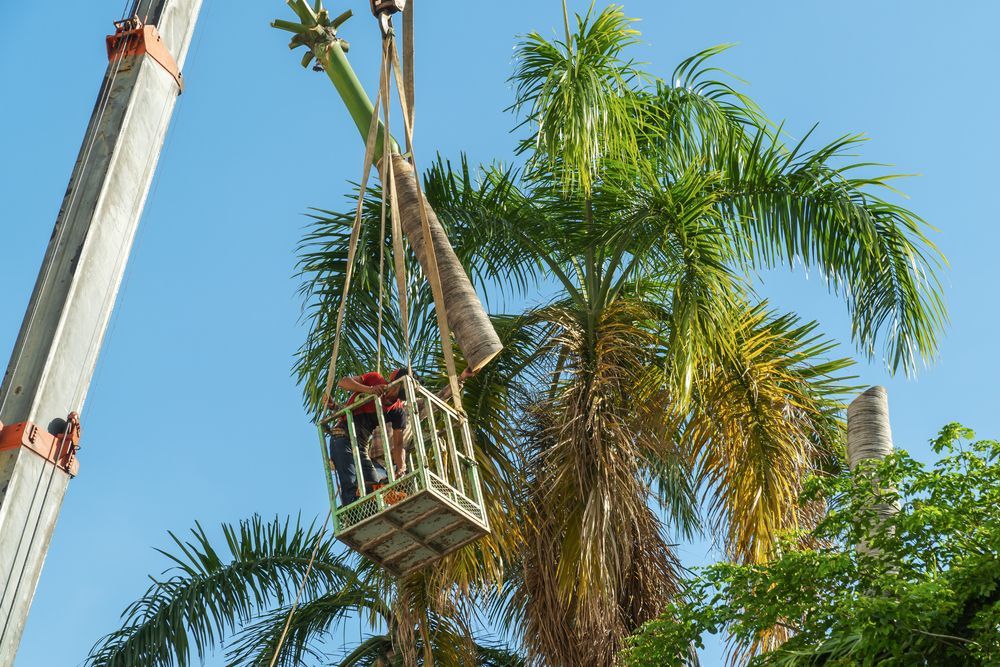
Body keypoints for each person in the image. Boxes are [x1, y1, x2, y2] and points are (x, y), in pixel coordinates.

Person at [326, 367, 411, 506]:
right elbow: (343, 382)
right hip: (342, 437)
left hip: (361, 445)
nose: (390, 393)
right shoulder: (375, 380)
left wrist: (401, 468)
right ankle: (354, 511)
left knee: (374, 487)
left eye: (395, 392)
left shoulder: (397, 411)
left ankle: (372, 498)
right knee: (350, 488)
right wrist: (369, 390)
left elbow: (399, 445)